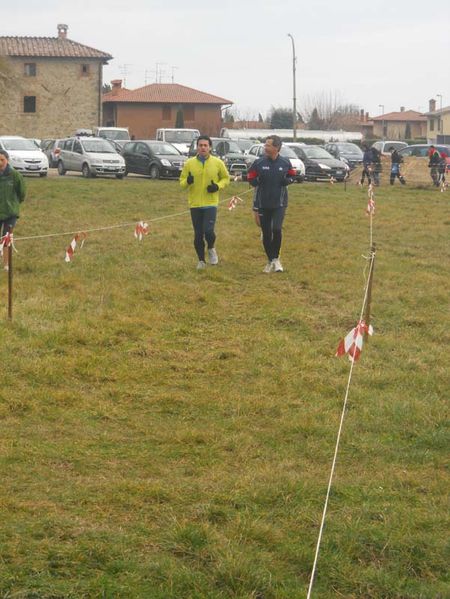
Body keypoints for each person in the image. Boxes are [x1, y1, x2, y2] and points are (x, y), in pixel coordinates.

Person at [247, 135, 296, 273]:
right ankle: (271, 260)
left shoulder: (285, 162)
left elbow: (292, 175)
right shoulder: (259, 162)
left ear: (276, 148)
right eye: (265, 144)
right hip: (263, 203)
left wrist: (288, 181)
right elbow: (250, 177)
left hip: (280, 203)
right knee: (267, 233)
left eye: (268, 145)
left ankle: (276, 260)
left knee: (277, 229)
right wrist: (255, 181)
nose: (265, 147)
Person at [180, 136, 230, 270]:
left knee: (208, 231)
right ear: (197, 147)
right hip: (195, 204)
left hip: (211, 203)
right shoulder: (189, 163)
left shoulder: (217, 163)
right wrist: (188, 182)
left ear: (210, 147)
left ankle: (211, 248)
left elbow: (226, 178)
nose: (203, 148)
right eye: (200, 145)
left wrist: (217, 186)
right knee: (198, 234)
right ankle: (201, 260)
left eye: (205, 145)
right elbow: (182, 184)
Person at [0, 149, 26, 270]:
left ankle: (6, 264)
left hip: (10, 213)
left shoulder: (15, 175)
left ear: (7, 160)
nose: (0, 162)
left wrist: (14, 204)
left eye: (2, 160)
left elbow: (22, 193)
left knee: (6, 238)